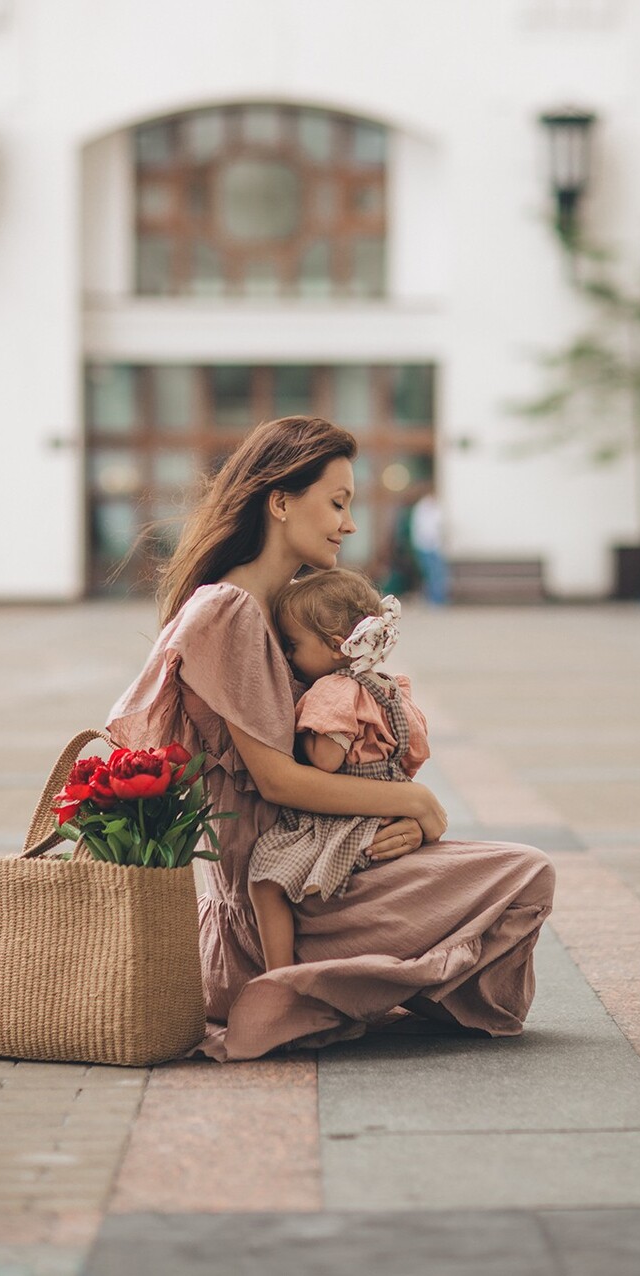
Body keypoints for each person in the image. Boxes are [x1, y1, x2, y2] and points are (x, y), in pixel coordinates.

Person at [106, 416, 555, 1062]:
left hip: (328, 861)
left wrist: (400, 826)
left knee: (523, 877)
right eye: (338, 502)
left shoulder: (286, 610)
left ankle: (342, 991)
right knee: (527, 873)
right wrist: (414, 806)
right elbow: (277, 780)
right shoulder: (228, 610)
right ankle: (294, 991)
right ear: (281, 502)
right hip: (281, 898)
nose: (348, 524)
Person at [248, 570, 430, 972]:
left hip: (346, 814)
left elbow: (327, 759)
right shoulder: (388, 685)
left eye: (293, 645)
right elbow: (415, 750)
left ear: (334, 647)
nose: (289, 657)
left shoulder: (332, 689)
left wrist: (301, 734)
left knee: (265, 876)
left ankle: (279, 977)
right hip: (387, 801)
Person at [411, 489, 448, 604]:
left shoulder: (434, 508)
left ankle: (438, 599)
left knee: (438, 574)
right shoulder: (423, 508)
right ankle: (433, 600)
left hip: (434, 545)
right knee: (431, 573)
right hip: (425, 546)